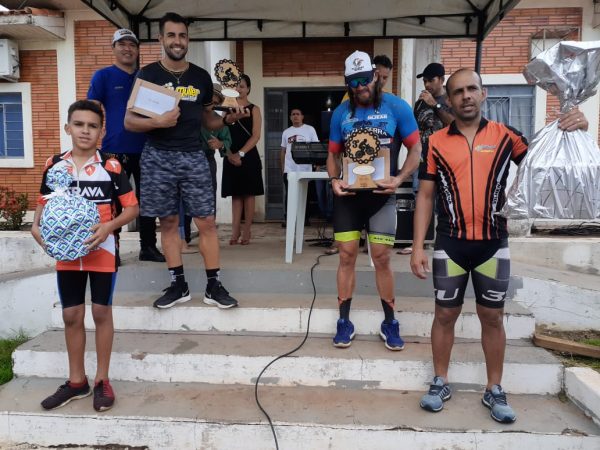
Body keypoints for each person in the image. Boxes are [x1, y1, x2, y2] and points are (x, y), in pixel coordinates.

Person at [411, 68, 589, 423]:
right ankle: (440, 381)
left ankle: (494, 388)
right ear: (449, 99)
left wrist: (577, 131)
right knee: (444, 314)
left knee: (492, 317)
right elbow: (426, 195)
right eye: (458, 91)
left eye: (472, 89)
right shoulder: (436, 142)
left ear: (484, 93)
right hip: (450, 243)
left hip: (493, 243)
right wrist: (417, 247)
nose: (466, 96)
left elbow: (549, 164)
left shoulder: (507, 136)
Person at [124, 12, 243, 309]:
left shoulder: (201, 77)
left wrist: (227, 120)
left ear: (188, 40)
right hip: (158, 156)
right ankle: (179, 285)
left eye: (182, 36)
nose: (177, 41)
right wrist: (158, 122)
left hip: (193, 154)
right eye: (172, 35)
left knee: (207, 222)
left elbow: (208, 120)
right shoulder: (147, 74)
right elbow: (129, 121)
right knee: (168, 222)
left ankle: (213, 286)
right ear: (161, 39)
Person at [31, 100, 139, 412]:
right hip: (67, 253)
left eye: (93, 126)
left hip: (102, 250)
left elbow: (132, 208)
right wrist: (36, 227)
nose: (85, 131)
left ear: (101, 132)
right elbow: (43, 204)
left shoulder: (111, 166)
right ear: (68, 127)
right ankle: (76, 381)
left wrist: (108, 228)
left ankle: (102, 380)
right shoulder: (54, 164)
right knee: (71, 315)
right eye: (79, 124)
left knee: (101, 312)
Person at [327, 51, 422, 350]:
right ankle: (344, 321)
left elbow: (416, 149)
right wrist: (334, 179)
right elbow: (332, 154)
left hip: (382, 196)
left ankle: (389, 322)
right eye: (354, 82)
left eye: (365, 79)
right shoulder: (341, 113)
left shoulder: (397, 107)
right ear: (348, 83)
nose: (361, 87)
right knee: (346, 256)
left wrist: (399, 178)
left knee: (381, 257)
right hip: (349, 198)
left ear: (375, 76)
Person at [87, 28, 165, 263]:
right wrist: (92, 137)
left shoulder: (146, 77)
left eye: (132, 45)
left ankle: (148, 247)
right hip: (114, 150)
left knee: (148, 201)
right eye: (122, 44)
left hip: (147, 148)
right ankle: (113, 249)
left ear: (138, 50)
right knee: (114, 203)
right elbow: (91, 109)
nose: (127, 49)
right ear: (113, 48)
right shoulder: (102, 76)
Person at [397, 63, 455, 256]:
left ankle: (445, 242)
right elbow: (413, 132)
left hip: (447, 159)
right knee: (420, 200)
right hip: (423, 159)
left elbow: (455, 124)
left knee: (446, 201)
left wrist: (435, 105)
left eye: (431, 80)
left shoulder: (451, 99)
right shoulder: (420, 102)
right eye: (425, 81)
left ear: (442, 80)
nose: (427, 84)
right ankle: (418, 244)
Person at [179, 84, 233, 254]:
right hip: (186, 158)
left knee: (208, 198)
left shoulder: (218, 120)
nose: (211, 106)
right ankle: (183, 237)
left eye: (216, 103)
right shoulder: (191, 115)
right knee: (183, 198)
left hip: (207, 160)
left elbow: (227, 141)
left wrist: (220, 144)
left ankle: (208, 237)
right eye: (209, 101)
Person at [221, 74, 265, 245]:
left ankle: (247, 230)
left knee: (249, 194)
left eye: (242, 86)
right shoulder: (226, 108)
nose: (238, 89)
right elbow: (221, 132)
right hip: (230, 154)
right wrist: (229, 154)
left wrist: (240, 154)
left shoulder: (254, 109)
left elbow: (256, 136)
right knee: (235, 194)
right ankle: (235, 231)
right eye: (236, 86)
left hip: (248, 155)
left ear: (248, 89)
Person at [280, 108, 319, 226]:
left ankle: (305, 219)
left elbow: (316, 148)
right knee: (290, 195)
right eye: (293, 114)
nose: (295, 116)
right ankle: (289, 219)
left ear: (302, 117)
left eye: (298, 114)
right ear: (290, 117)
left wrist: (317, 164)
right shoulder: (286, 132)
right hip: (290, 169)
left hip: (305, 169)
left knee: (305, 195)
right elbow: (283, 151)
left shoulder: (310, 129)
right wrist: (283, 168)